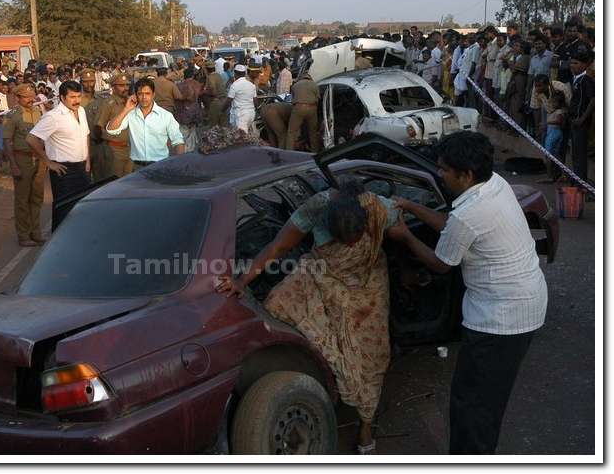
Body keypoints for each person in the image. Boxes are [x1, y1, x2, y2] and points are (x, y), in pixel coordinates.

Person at [386, 131, 547, 454]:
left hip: (499, 320)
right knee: (484, 400)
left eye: (444, 170)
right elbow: (451, 224)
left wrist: (403, 236)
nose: (440, 175)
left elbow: (442, 263)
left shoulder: (469, 214)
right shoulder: (493, 184)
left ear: (466, 174)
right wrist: (413, 207)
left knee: (474, 407)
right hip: (524, 302)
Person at [215, 177, 400, 453]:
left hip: (368, 284)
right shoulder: (318, 207)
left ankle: (365, 424)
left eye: (355, 240)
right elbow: (279, 246)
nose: (349, 247)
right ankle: (317, 363)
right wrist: (242, 281)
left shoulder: (379, 208)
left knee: (372, 352)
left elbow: (404, 231)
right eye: (341, 240)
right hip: (323, 273)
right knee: (278, 302)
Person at [27, 80, 92, 231]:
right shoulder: (53, 116)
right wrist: (48, 162)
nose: (76, 100)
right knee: (64, 211)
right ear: (62, 98)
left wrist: (87, 160)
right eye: (72, 97)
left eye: (78, 96)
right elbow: (31, 139)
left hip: (83, 168)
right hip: (64, 170)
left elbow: (86, 134)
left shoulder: (81, 111)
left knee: (81, 208)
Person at [105, 77, 185, 170]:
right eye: (140, 94)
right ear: (135, 95)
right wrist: (126, 109)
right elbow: (111, 130)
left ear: (153, 94)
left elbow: (178, 141)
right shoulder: (130, 114)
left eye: (147, 94)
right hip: (137, 167)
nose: (144, 97)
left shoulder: (166, 116)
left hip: (160, 165)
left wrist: (180, 163)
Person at [3, 84, 47, 246]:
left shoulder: (38, 111)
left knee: (37, 197)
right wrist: (13, 165)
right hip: (22, 159)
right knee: (22, 199)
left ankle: (36, 231)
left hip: (38, 159)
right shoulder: (12, 116)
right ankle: (23, 235)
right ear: (18, 98)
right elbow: (7, 141)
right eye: (26, 97)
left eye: (32, 96)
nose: (30, 99)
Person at [96, 73, 134, 178]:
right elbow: (99, 126)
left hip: (130, 149)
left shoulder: (131, 102)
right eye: (121, 85)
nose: (125, 88)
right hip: (114, 150)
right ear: (113, 87)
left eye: (127, 85)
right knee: (114, 182)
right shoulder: (108, 103)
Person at [569, 50, 594, 189]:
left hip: (581, 123)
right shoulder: (576, 79)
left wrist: (582, 119)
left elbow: (593, 100)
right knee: (575, 154)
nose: (572, 66)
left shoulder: (586, 80)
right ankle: (576, 180)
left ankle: (581, 185)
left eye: (576, 63)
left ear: (585, 65)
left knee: (580, 156)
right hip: (574, 121)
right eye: (571, 63)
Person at [287, 72, 320, 152]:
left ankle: (289, 153)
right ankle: (315, 152)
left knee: (291, 132)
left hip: (298, 108)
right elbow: (318, 99)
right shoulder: (315, 85)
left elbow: (292, 101)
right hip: (312, 108)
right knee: (313, 132)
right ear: (310, 78)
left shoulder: (295, 85)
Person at [174, 67, 204, 153]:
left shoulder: (179, 86)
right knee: (192, 134)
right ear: (192, 76)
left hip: (182, 114)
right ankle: (190, 152)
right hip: (195, 112)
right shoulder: (197, 84)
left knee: (183, 135)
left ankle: (184, 154)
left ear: (184, 75)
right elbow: (200, 98)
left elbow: (177, 99)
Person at [222, 64, 258, 134]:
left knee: (242, 139)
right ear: (244, 74)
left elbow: (228, 101)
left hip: (241, 115)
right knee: (247, 136)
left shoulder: (235, 85)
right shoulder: (251, 85)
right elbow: (255, 102)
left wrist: (222, 110)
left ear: (235, 73)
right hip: (251, 114)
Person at [203, 60, 228, 128]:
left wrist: (204, 92)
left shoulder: (210, 77)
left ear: (207, 69)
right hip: (224, 101)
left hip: (216, 102)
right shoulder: (218, 75)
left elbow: (213, 91)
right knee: (223, 125)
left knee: (213, 126)